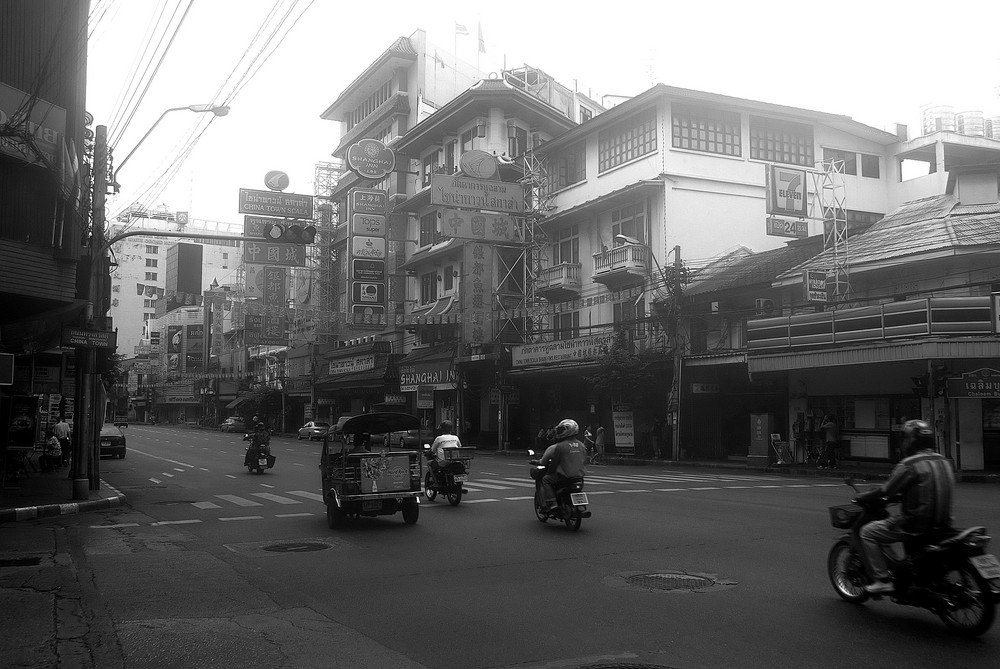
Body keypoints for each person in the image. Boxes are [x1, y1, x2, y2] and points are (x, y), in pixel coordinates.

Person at [856, 419, 955, 594]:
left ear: (910, 441)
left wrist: (864, 496)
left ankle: (883, 580)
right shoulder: (944, 461)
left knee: (867, 532)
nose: (903, 443)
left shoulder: (910, 465)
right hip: (943, 524)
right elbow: (925, 487)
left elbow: (886, 490)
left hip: (916, 524)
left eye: (905, 439)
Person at [538, 418, 588, 512]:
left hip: (564, 476)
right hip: (579, 477)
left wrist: (549, 472)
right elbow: (584, 461)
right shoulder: (582, 445)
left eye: (561, 430)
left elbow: (554, 462)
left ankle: (552, 503)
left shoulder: (559, 446)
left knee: (545, 480)